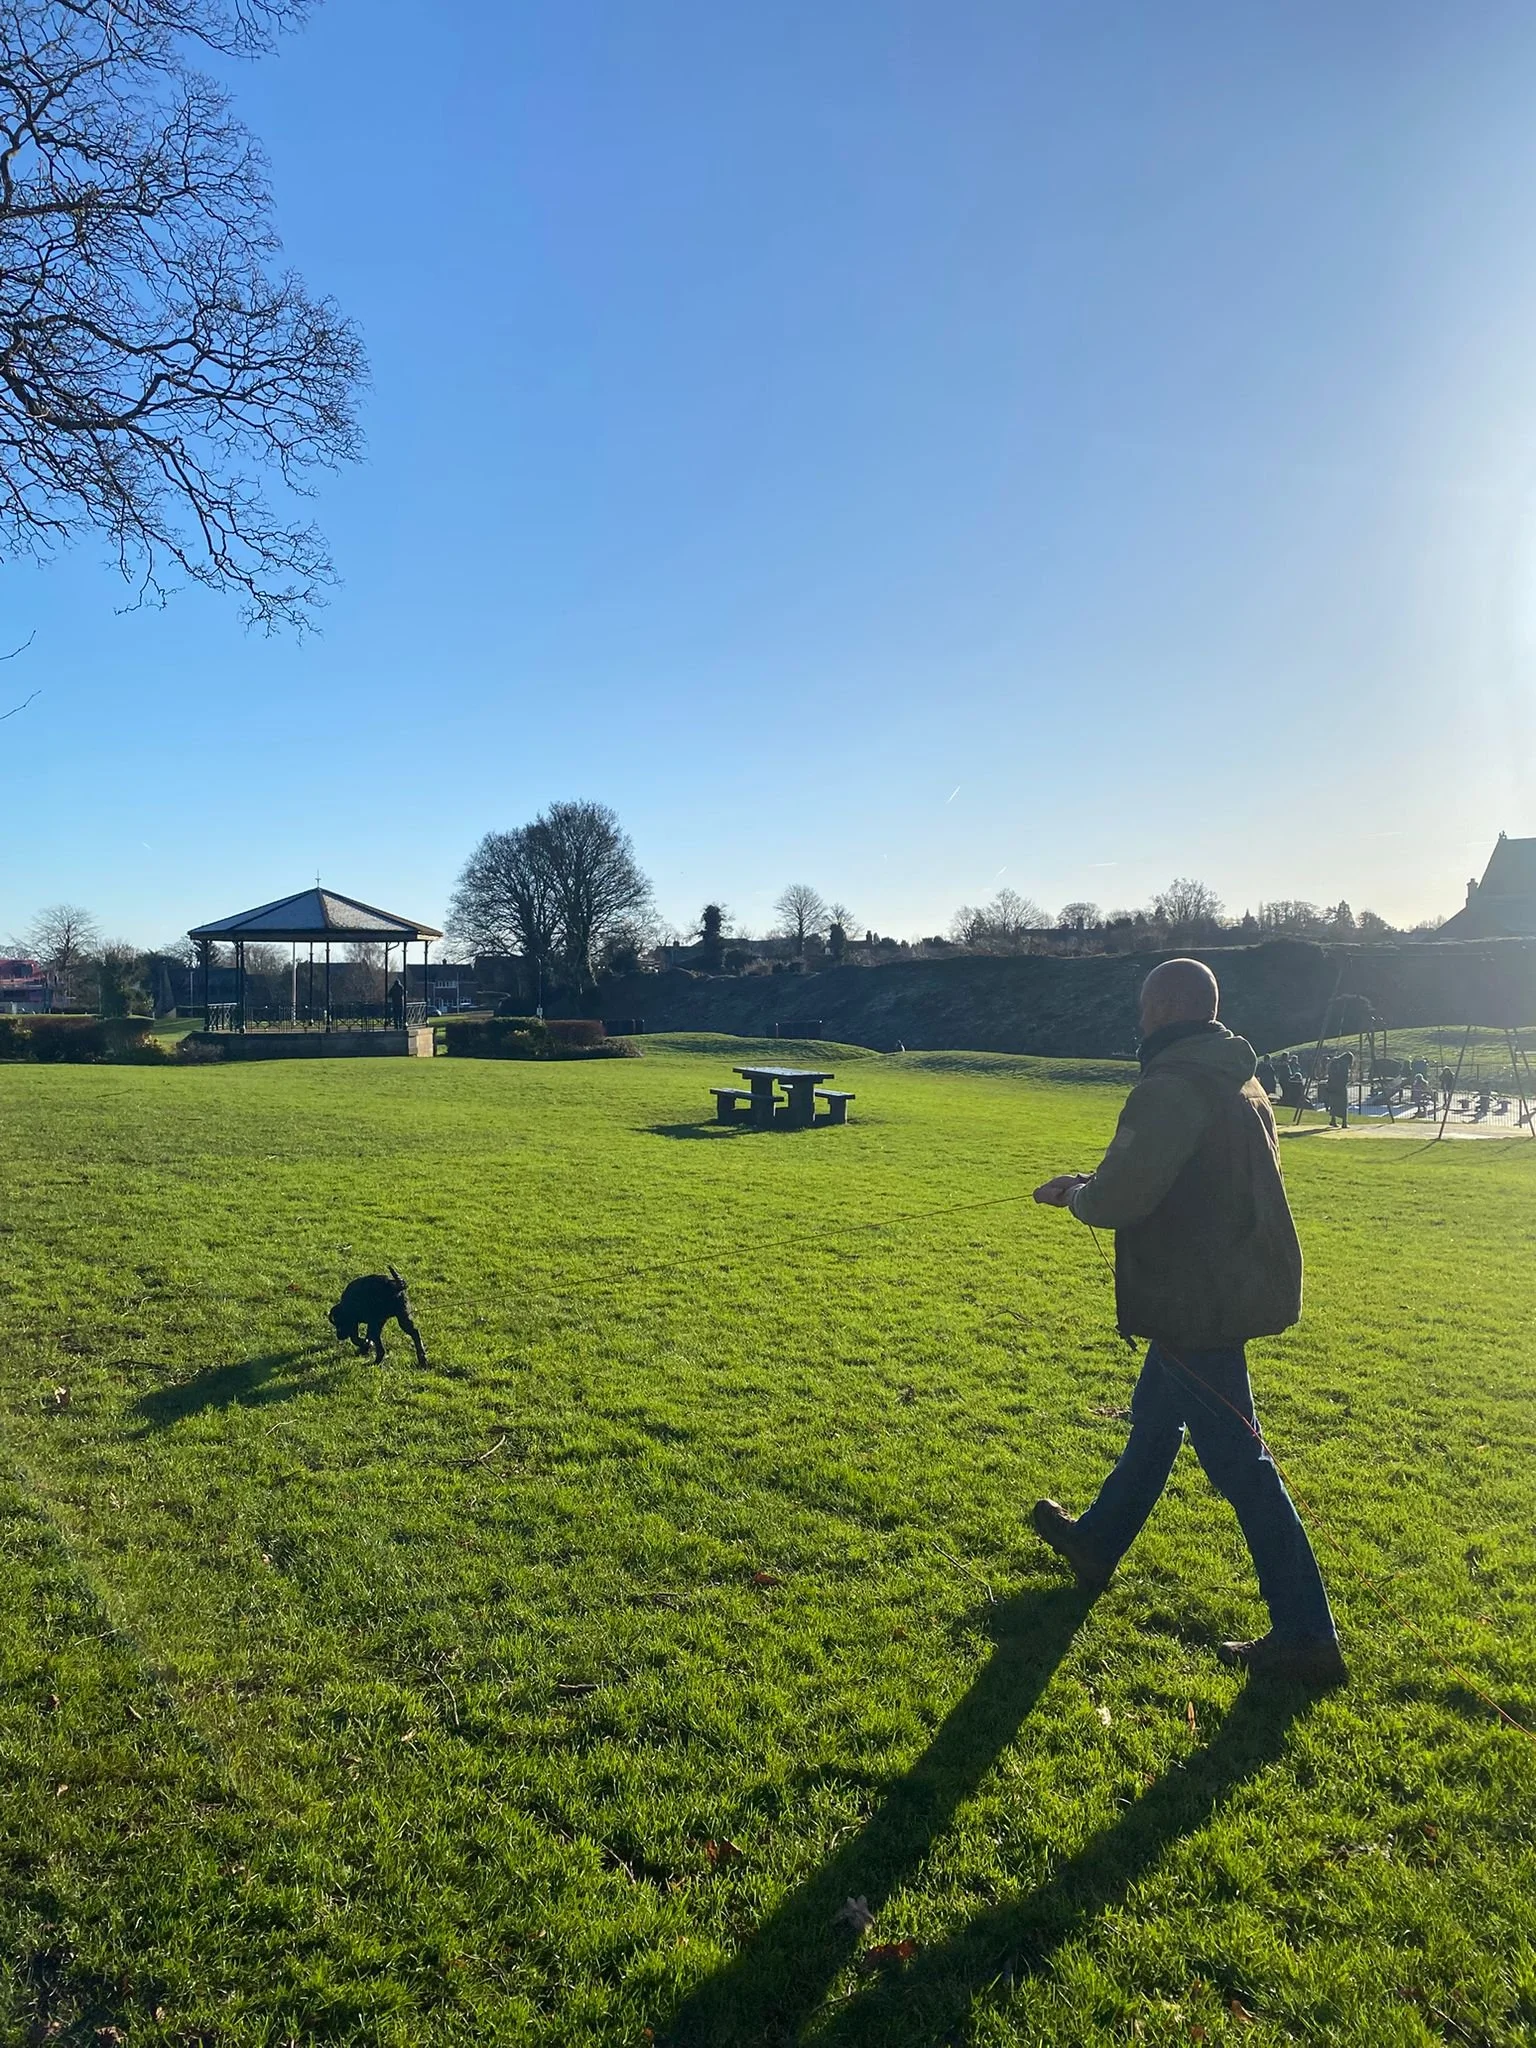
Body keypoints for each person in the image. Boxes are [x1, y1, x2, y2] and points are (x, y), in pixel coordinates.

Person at [1031, 958, 1343, 1685]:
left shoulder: (1173, 1085)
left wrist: (1073, 1198)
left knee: (1242, 1466)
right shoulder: (1237, 1078)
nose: (1139, 1022)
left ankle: (1307, 1634)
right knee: (1153, 1421)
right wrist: (1092, 1182)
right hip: (1219, 1289)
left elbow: (1121, 1200)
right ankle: (1098, 1541)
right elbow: (1179, 1179)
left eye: (1145, 1009)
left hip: (1195, 1303)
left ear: (1168, 1007)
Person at [1324, 1048, 1354, 1128]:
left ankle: (1333, 1120)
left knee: (1333, 1103)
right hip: (1340, 1087)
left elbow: (1329, 1073)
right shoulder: (1344, 1064)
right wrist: (1345, 1082)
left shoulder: (1334, 1062)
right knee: (1343, 1104)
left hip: (1331, 1086)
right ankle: (1344, 1122)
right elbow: (1344, 1077)